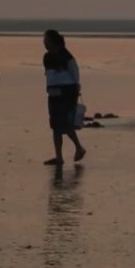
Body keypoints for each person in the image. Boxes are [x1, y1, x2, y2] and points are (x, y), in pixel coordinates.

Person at [42, 30, 86, 166]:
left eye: (46, 40)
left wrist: (75, 90)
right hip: (53, 93)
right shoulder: (47, 57)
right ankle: (59, 157)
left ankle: (79, 147)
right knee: (55, 126)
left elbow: (75, 74)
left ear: (54, 41)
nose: (44, 43)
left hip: (67, 93)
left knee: (66, 125)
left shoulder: (67, 56)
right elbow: (49, 75)